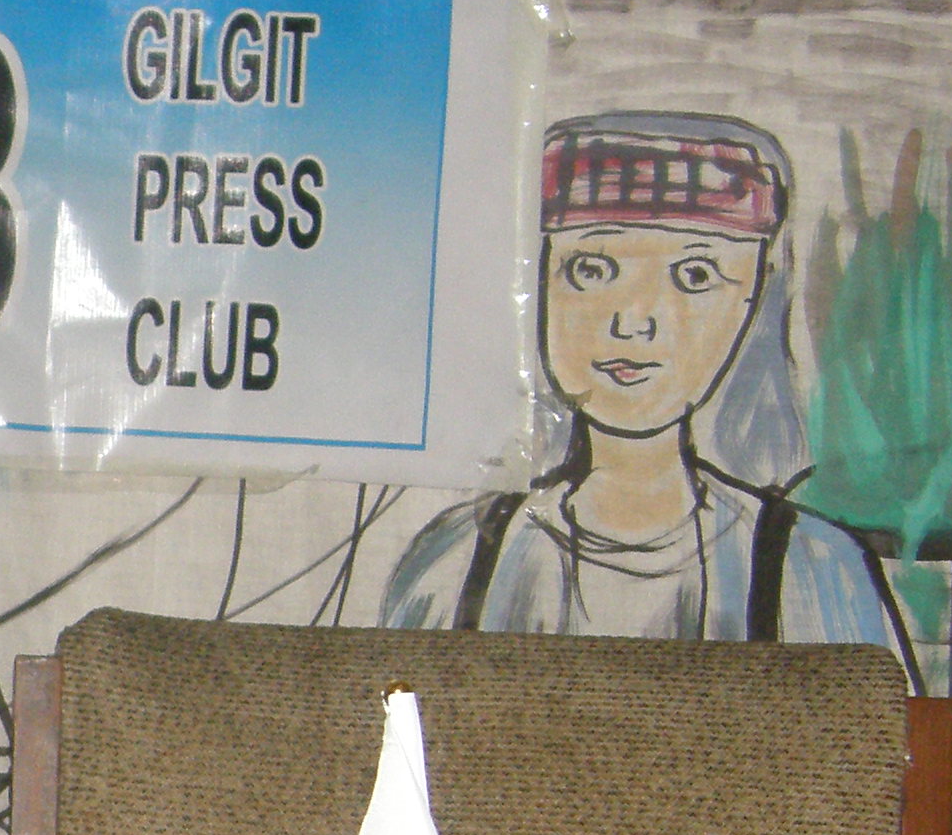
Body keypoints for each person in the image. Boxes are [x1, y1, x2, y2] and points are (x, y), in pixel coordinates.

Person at [383, 110, 909, 650]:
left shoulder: (813, 566)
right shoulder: (457, 560)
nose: (633, 320)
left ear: (752, 301)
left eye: (694, 276)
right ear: (536, 284)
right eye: (591, 270)